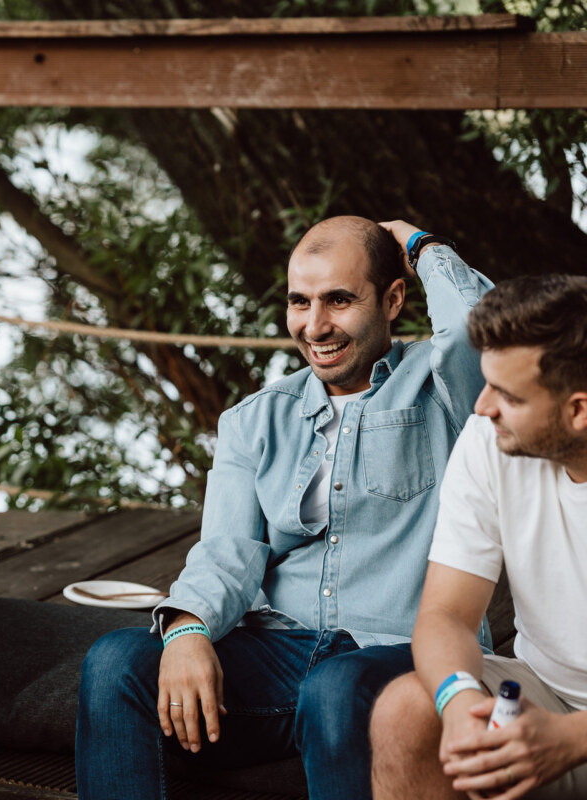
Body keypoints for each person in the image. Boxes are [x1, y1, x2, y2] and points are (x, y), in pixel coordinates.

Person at [77, 216, 494, 799]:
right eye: (301, 302)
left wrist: (420, 246)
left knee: (334, 685)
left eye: (340, 300)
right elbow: (227, 550)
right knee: (115, 662)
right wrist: (187, 628)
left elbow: (491, 335)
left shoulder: (445, 391)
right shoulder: (253, 419)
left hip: (395, 650)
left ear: (393, 299)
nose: (315, 325)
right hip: (280, 651)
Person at [370, 275, 587, 800]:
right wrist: (460, 702)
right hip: (547, 695)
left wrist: (572, 739)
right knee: (406, 711)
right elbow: (445, 614)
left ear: (579, 410)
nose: (482, 406)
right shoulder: (490, 440)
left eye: (508, 395)